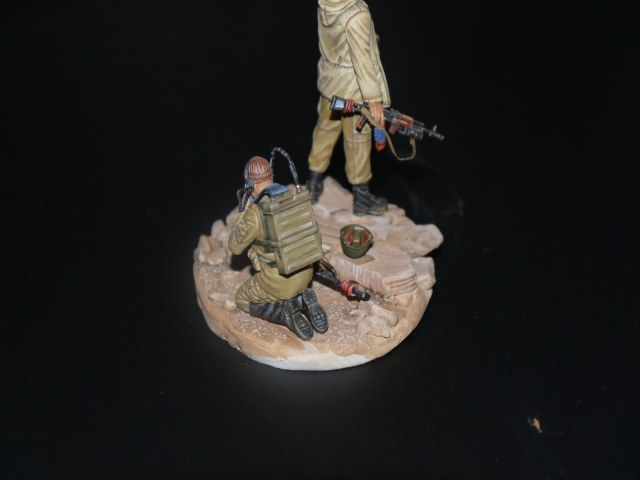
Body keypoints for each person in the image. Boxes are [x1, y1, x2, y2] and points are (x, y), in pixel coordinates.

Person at [228, 156, 328, 341]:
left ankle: (284, 314)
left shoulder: (255, 214)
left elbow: (234, 246)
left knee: (241, 299)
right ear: (272, 175)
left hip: (278, 283)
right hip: (306, 274)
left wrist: (246, 209)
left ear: (249, 183)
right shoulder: (294, 196)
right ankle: (303, 299)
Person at [307, 0, 391, 216]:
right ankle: (361, 197)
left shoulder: (325, 5)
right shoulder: (356, 14)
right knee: (357, 141)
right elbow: (363, 61)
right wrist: (373, 99)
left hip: (330, 83)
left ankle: (313, 182)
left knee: (325, 130)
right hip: (354, 90)